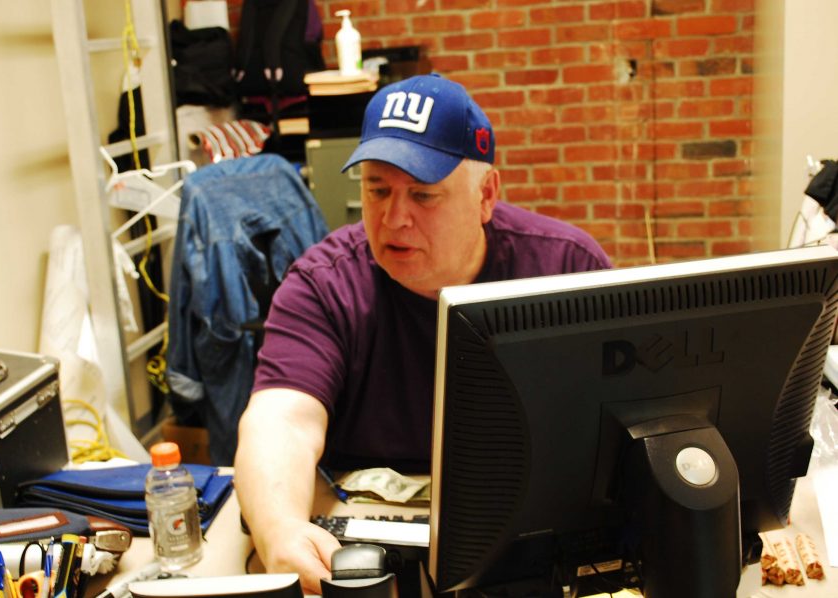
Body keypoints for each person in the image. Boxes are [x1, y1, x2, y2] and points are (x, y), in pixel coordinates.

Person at [234, 73, 611, 593]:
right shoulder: (324, 283)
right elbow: (282, 420)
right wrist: (279, 529)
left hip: (526, 537)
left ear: (486, 195)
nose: (394, 218)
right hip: (365, 540)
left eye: (424, 195)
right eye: (377, 189)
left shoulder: (568, 269)